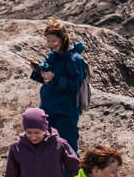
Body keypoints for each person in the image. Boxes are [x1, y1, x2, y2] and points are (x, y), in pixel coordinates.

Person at [28, 19, 90, 150]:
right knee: (49, 147)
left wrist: (55, 78)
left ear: (63, 39)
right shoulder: (52, 56)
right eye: (48, 41)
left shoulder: (75, 60)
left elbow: (75, 86)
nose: (51, 45)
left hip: (65, 112)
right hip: (48, 109)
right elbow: (46, 79)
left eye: (53, 41)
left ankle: (71, 172)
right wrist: (38, 72)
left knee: (67, 147)